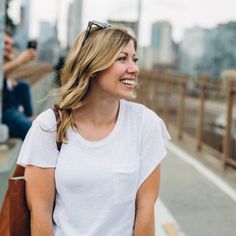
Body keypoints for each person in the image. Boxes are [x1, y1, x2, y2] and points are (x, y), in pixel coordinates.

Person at [17, 21, 171, 235]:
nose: (134, 68)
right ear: (94, 66)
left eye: (134, 59)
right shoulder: (49, 126)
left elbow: (145, 210)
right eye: (122, 58)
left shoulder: (145, 124)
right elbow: (40, 212)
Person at [2, 33, 37, 140]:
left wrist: (10, 60)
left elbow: (4, 74)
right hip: (5, 112)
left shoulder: (5, 61)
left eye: (10, 45)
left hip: (11, 105)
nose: (8, 47)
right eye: (5, 43)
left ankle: (28, 117)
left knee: (23, 86)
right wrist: (19, 60)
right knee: (34, 131)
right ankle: (27, 123)